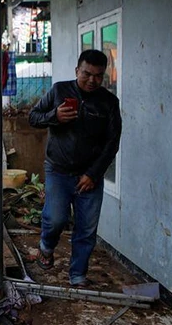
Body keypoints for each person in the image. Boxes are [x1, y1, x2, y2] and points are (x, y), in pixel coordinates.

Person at [28, 49, 122, 287]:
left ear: (105, 76)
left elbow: (112, 143)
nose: (92, 80)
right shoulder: (60, 90)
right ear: (76, 71)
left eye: (98, 76)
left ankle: (78, 275)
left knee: (86, 230)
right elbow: (33, 117)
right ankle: (46, 247)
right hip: (58, 170)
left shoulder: (109, 103)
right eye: (86, 74)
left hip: (89, 176)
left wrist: (93, 174)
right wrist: (54, 116)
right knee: (55, 218)